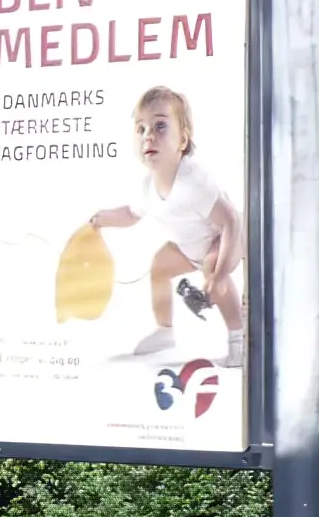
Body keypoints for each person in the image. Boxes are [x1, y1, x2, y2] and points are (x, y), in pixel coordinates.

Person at [90, 85, 246, 368]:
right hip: (190, 248)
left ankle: (239, 339)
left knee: (213, 270)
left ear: (183, 140)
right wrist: (104, 218)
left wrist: (221, 273)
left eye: (160, 126)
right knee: (160, 266)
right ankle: (165, 331)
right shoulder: (148, 186)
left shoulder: (194, 182)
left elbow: (232, 222)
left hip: (225, 239)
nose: (148, 135)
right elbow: (131, 214)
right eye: (141, 129)